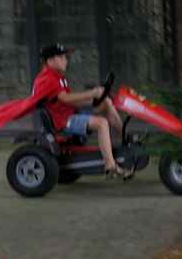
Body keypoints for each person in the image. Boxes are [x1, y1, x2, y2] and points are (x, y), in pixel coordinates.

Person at [36, 43, 132, 178]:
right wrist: (92, 93)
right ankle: (110, 165)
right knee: (101, 123)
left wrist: (94, 99)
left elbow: (67, 101)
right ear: (50, 60)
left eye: (66, 56)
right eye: (62, 57)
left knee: (106, 103)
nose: (66, 60)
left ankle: (126, 141)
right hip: (62, 121)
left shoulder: (57, 77)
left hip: (70, 114)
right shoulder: (47, 79)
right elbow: (66, 99)